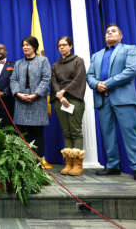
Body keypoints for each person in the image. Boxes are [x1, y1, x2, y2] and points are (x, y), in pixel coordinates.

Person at [87, 24, 136, 181]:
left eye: (113, 31)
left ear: (121, 36)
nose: (109, 33)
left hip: (124, 98)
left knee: (130, 133)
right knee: (108, 134)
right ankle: (113, 166)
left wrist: (107, 83)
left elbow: (131, 70)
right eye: (107, 32)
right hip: (103, 99)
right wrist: (96, 84)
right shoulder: (96, 55)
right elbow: (90, 75)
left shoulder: (130, 49)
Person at [10, 36, 51, 158]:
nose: (25, 47)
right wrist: (18, 93)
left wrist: (35, 94)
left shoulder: (43, 61)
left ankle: (38, 165)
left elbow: (46, 79)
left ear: (34, 47)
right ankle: (24, 165)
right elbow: (13, 80)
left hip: (37, 103)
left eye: (28, 45)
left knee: (37, 135)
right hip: (21, 103)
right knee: (23, 136)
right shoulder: (18, 63)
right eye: (23, 45)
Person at [51, 36, 86, 176]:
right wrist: (60, 95)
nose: (62, 47)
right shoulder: (55, 65)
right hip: (60, 100)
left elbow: (79, 78)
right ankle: (68, 163)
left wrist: (64, 92)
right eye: (59, 45)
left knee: (75, 131)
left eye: (64, 45)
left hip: (74, 100)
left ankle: (77, 164)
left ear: (70, 46)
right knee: (66, 132)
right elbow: (54, 82)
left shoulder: (78, 61)